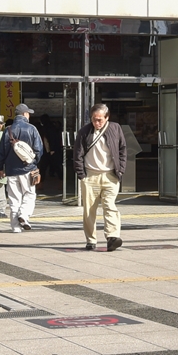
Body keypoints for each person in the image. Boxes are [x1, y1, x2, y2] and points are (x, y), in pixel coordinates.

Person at [73, 102, 132, 251]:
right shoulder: (84, 132)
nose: (97, 122)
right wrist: (82, 175)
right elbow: (77, 154)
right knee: (89, 210)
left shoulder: (115, 128)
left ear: (107, 117)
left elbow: (122, 149)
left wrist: (121, 170)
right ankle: (91, 240)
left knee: (110, 206)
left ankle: (112, 237)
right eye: (94, 119)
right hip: (90, 176)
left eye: (100, 119)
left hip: (110, 175)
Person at [0, 103, 45, 232]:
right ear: (24, 114)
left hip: (11, 170)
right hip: (27, 169)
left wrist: (0, 168)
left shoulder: (8, 130)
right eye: (28, 113)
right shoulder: (32, 129)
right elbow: (39, 149)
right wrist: (34, 162)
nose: (29, 115)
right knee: (29, 194)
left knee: (14, 198)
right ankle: (24, 216)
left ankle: (15, 227)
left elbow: (1, 151)